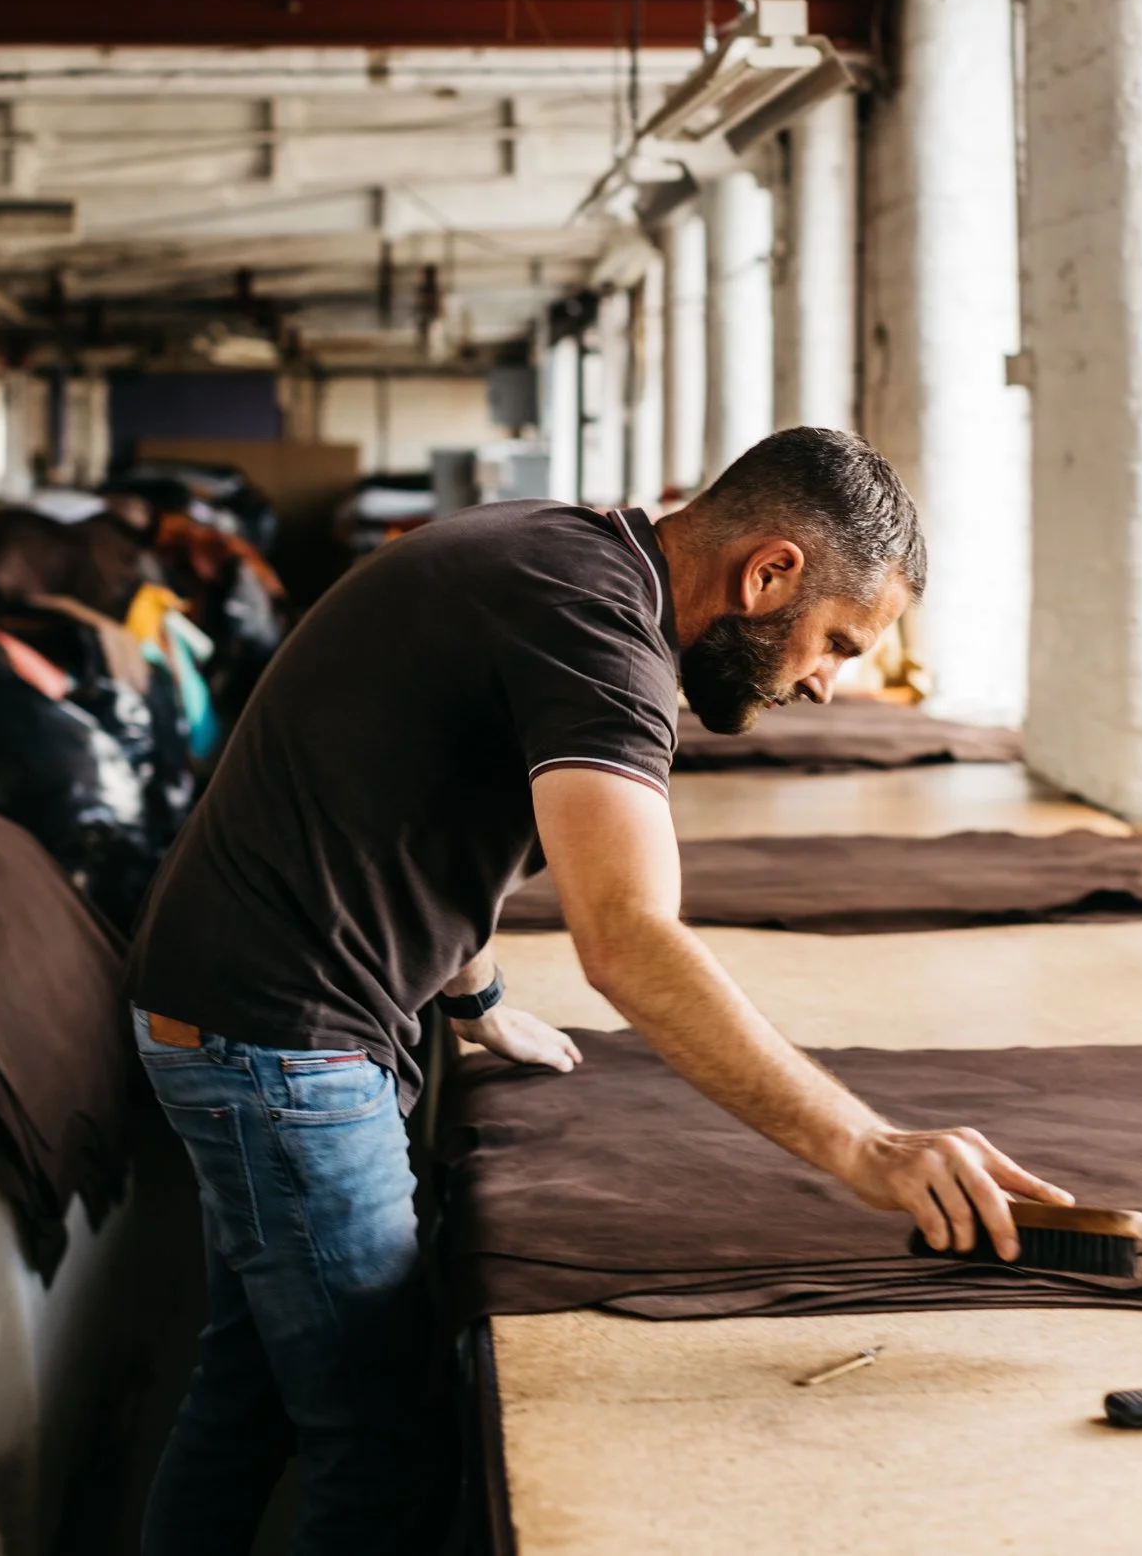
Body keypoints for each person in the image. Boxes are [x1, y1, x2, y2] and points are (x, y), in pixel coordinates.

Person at [129, 426, 1071, 1556]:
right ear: (768, 572)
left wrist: (470, 996)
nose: (827, 684)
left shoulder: (569, 557)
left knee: (249, 1396)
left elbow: (423, 799)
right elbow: (628, 938)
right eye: (837, 642)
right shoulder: (600, 636)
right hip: (278, 1046)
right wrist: (867, 1150)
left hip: (238, 1005)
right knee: (386, 1445)